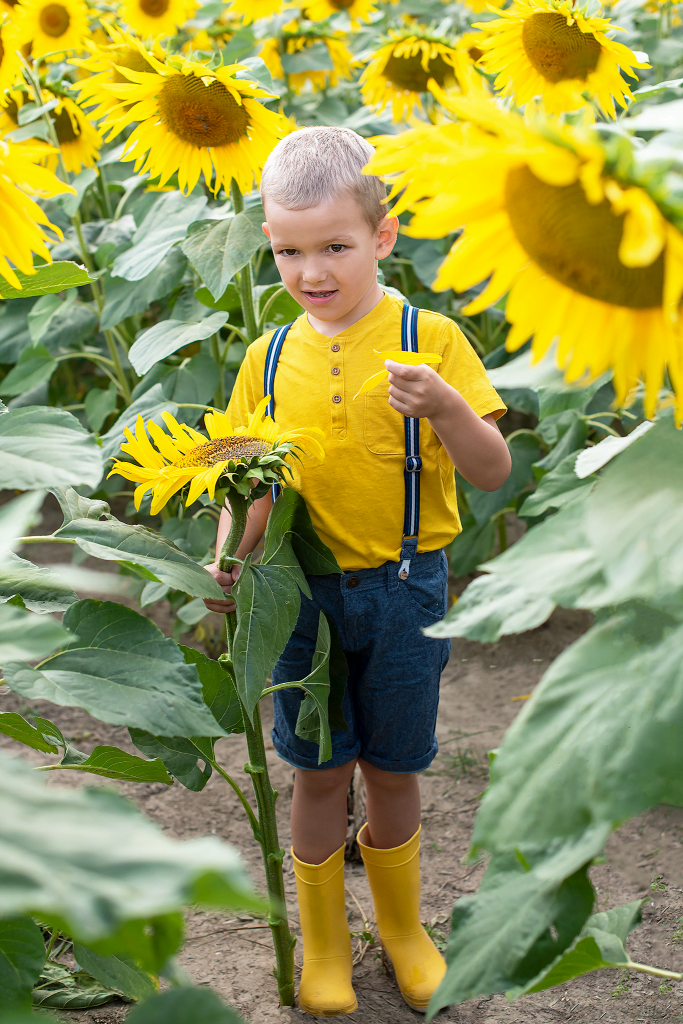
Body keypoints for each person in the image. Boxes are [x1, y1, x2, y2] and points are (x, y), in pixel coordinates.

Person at [203, 126, 511, 1016]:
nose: (311, 272)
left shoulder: (429, 339)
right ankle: (325, 949)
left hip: (406, 588)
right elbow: (253, 485)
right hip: (303, 596)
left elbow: (490, 472)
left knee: (394, 768)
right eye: (287, 251)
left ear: (382, 237)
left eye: (334, 246)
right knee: (318, 772)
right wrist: (230, 554)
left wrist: (446, 405)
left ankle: (406, 934)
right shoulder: (266, 359)